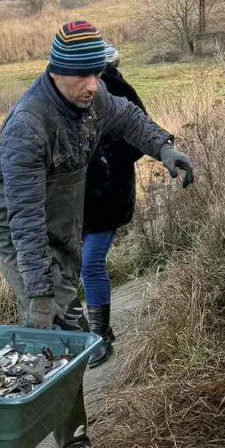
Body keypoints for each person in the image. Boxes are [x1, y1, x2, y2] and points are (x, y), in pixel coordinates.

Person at [0, 18, 194, 448]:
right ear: (56, 71)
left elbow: (129, 117)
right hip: (19, 221)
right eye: (82, 75)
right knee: (61, 325)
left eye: (97, 73)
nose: (93, 85)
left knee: (49, 328)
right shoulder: (28, 125)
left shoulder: (94, 99)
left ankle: (22, 436)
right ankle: (67, 447)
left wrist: (164, 149)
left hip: (61, 210)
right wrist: (40, 291)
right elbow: (25, 220)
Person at [81, 43, 146, 369]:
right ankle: (83, 334)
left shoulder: (118, 90)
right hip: (77, 200)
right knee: (75, 266)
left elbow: (139, 138)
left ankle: (99, 335)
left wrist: (105, 155)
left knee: (90, 263)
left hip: (108, 195)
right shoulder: (67, 94)